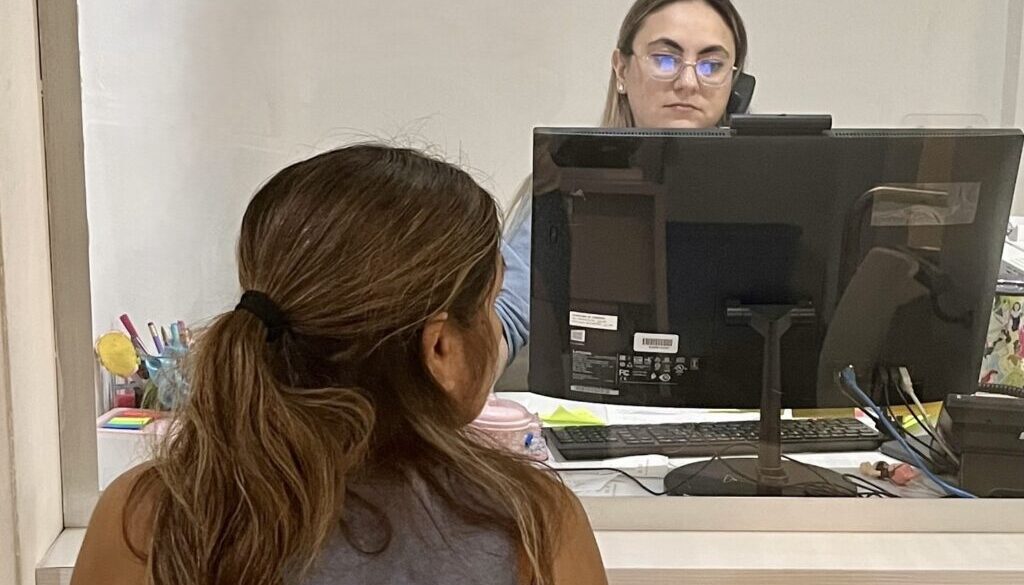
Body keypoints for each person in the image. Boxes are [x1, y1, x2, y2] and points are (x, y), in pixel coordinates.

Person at [72, 145, 607, 585]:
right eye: (491, 304)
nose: (496, 323)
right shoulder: (534, 527)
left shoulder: (144, 517)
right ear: (441, 348)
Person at [495, 0, 749, 374]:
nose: (688, 82)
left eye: (712, 66)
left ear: (734, 83)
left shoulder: (758, 192)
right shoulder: (565, 184)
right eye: (665, 59)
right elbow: (506, 316)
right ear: (621, 69)